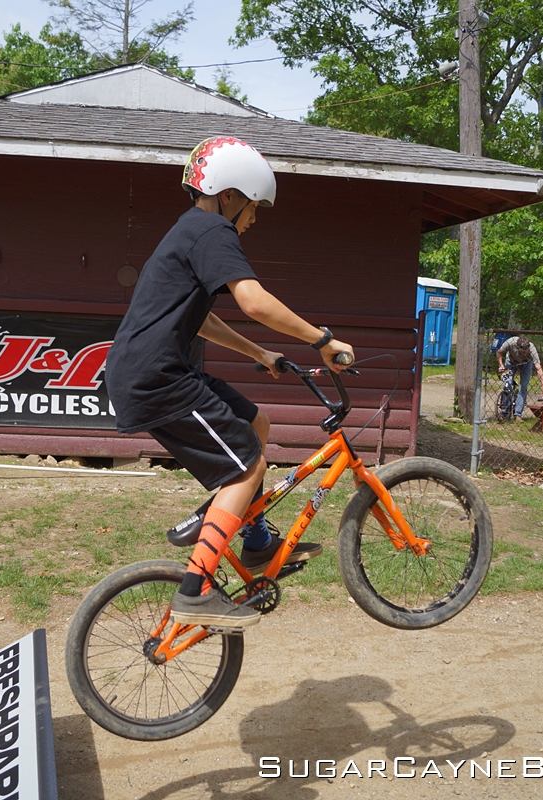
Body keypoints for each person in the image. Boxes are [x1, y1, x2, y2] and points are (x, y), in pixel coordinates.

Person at [104, 136, 354, 631]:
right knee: (247, 467)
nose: (254, 219)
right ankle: (195, 592)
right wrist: (320, 339)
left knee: (254, 422)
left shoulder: (189, 231)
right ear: (229, 194)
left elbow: (199, 320)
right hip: (158, 377)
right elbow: (255, 302)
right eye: (254, 206)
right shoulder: (214, 230)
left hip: (155, 371)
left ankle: (254, 539)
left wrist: (260, 353)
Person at [496, 334, 543, 419]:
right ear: (517, 348)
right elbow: (499, 352)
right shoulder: (511, 342)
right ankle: (505, 412)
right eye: (523, 352)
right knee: (507, 385)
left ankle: (518, 414)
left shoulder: (532, 349)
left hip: (526, 364)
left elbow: (539, 368)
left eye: (527, 351)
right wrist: (501, 365)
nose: (525, 353)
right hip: (511, 362)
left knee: (523, 387)